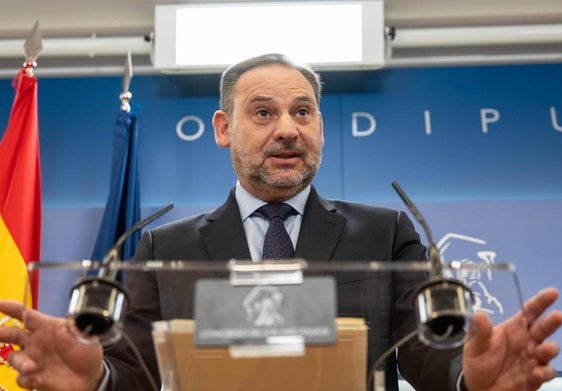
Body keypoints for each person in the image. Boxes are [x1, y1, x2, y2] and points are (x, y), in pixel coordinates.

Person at [0, 53, 561, 391]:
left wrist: (472, 378)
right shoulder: (163, 245)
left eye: (302, 112)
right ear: (223, 128)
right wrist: (92, 379)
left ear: (320, 125)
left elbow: (428, 353)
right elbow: (133, 374)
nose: (288, 129)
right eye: (264, 112)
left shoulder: (385, 234)